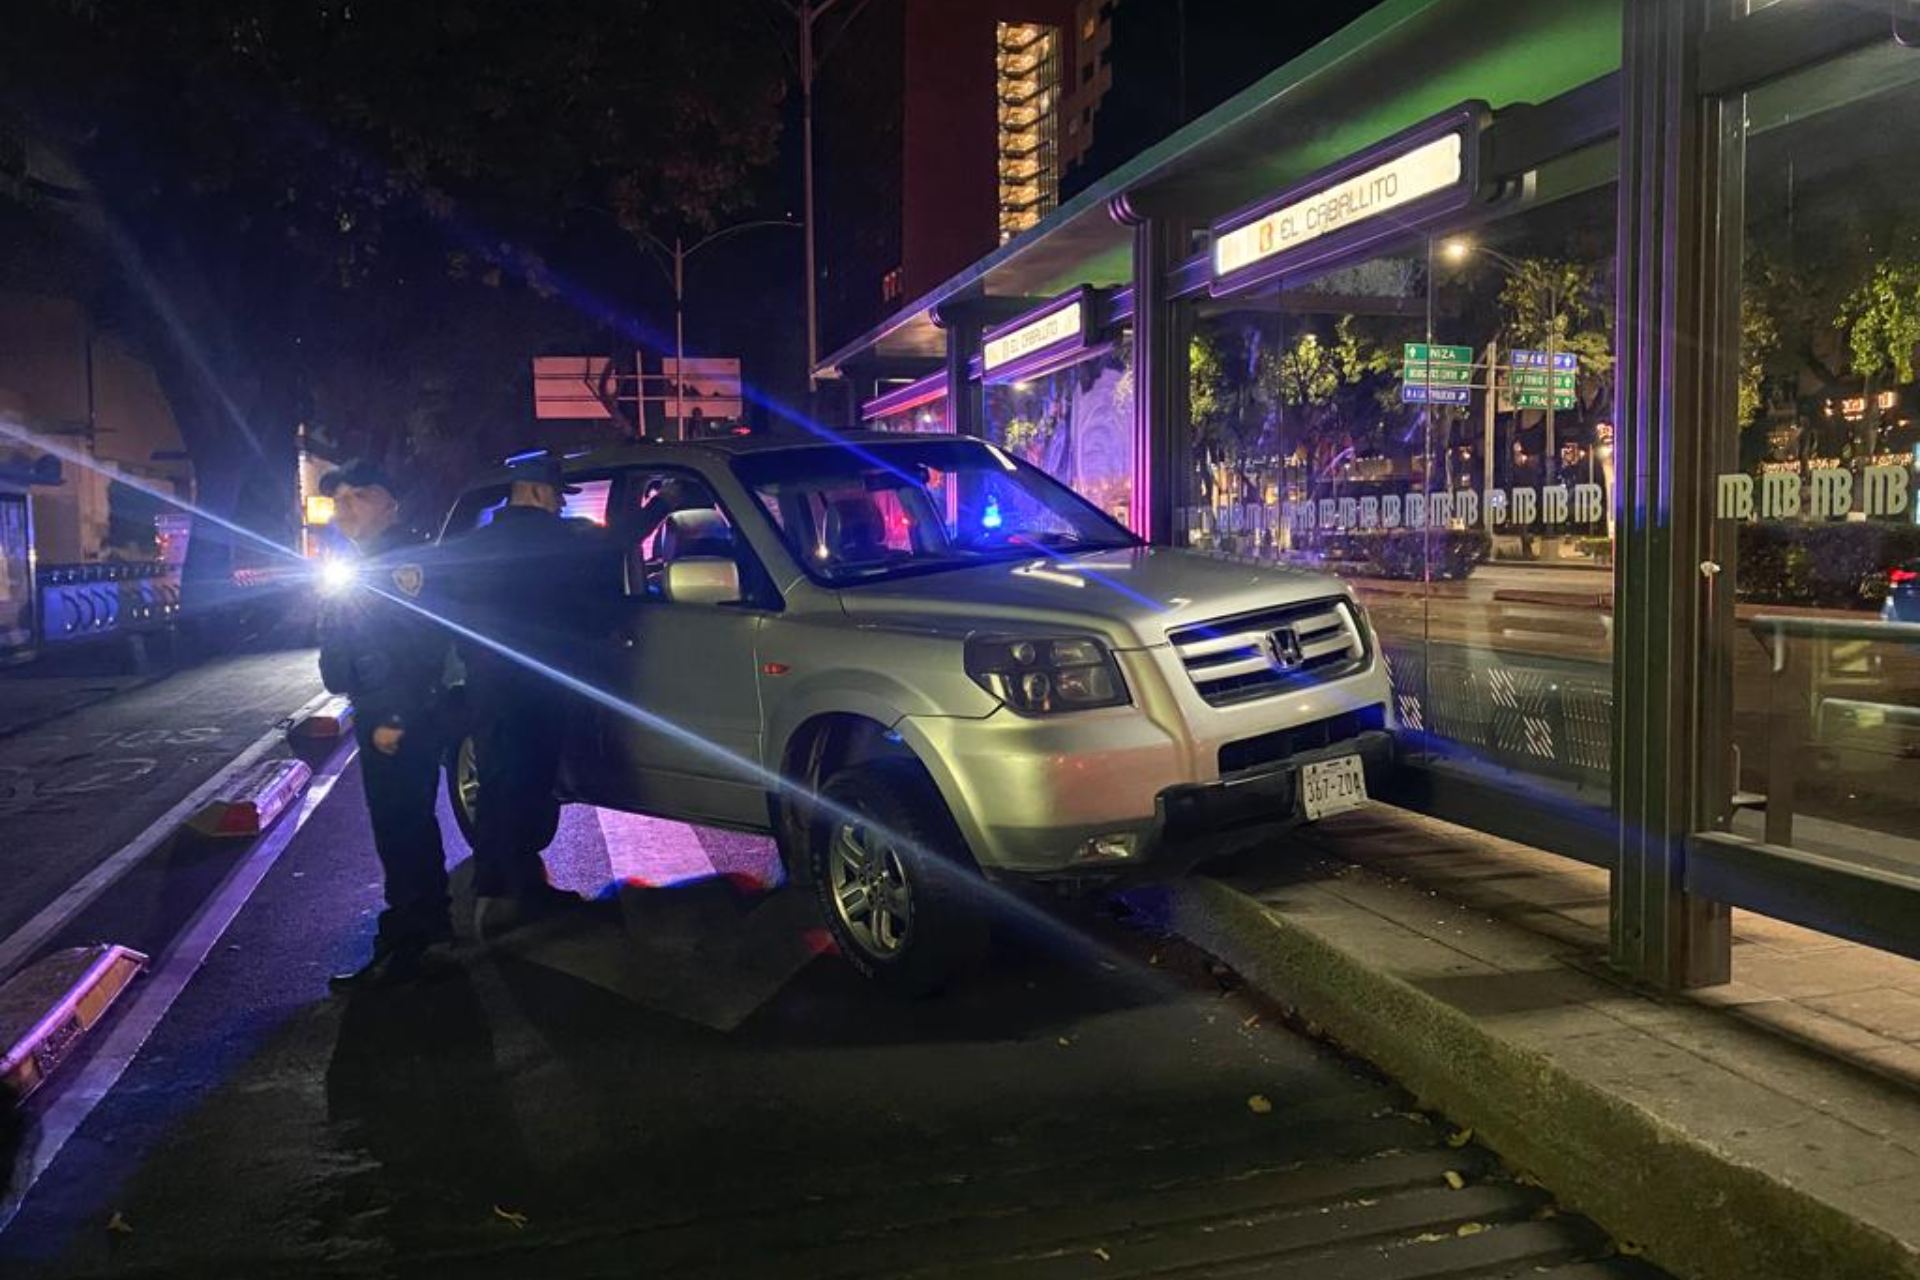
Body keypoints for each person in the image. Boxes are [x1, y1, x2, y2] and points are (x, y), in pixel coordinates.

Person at [451, 455, 603, 936]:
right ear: (536, 490)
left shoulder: (475, 545)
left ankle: (502, 893)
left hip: (489, 685)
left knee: (500, 784)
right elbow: (607, 557)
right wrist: (658, 508)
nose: (560, 504)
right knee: (528, 786)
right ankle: (506, 903)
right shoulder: (552, 539)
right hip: (535, 689)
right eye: (557, 494)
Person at [316, 460, 454, 989]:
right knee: (402, 825)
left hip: (397, 716)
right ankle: (424, 932)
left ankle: (411, 940)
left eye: (359, 495)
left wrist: (396, 718)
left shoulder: (401, 561)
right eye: (339, 499)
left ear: (390, 504)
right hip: (379, 710)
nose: (345, 507)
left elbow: (420, 649)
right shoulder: (361, 560)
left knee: (401, 825)